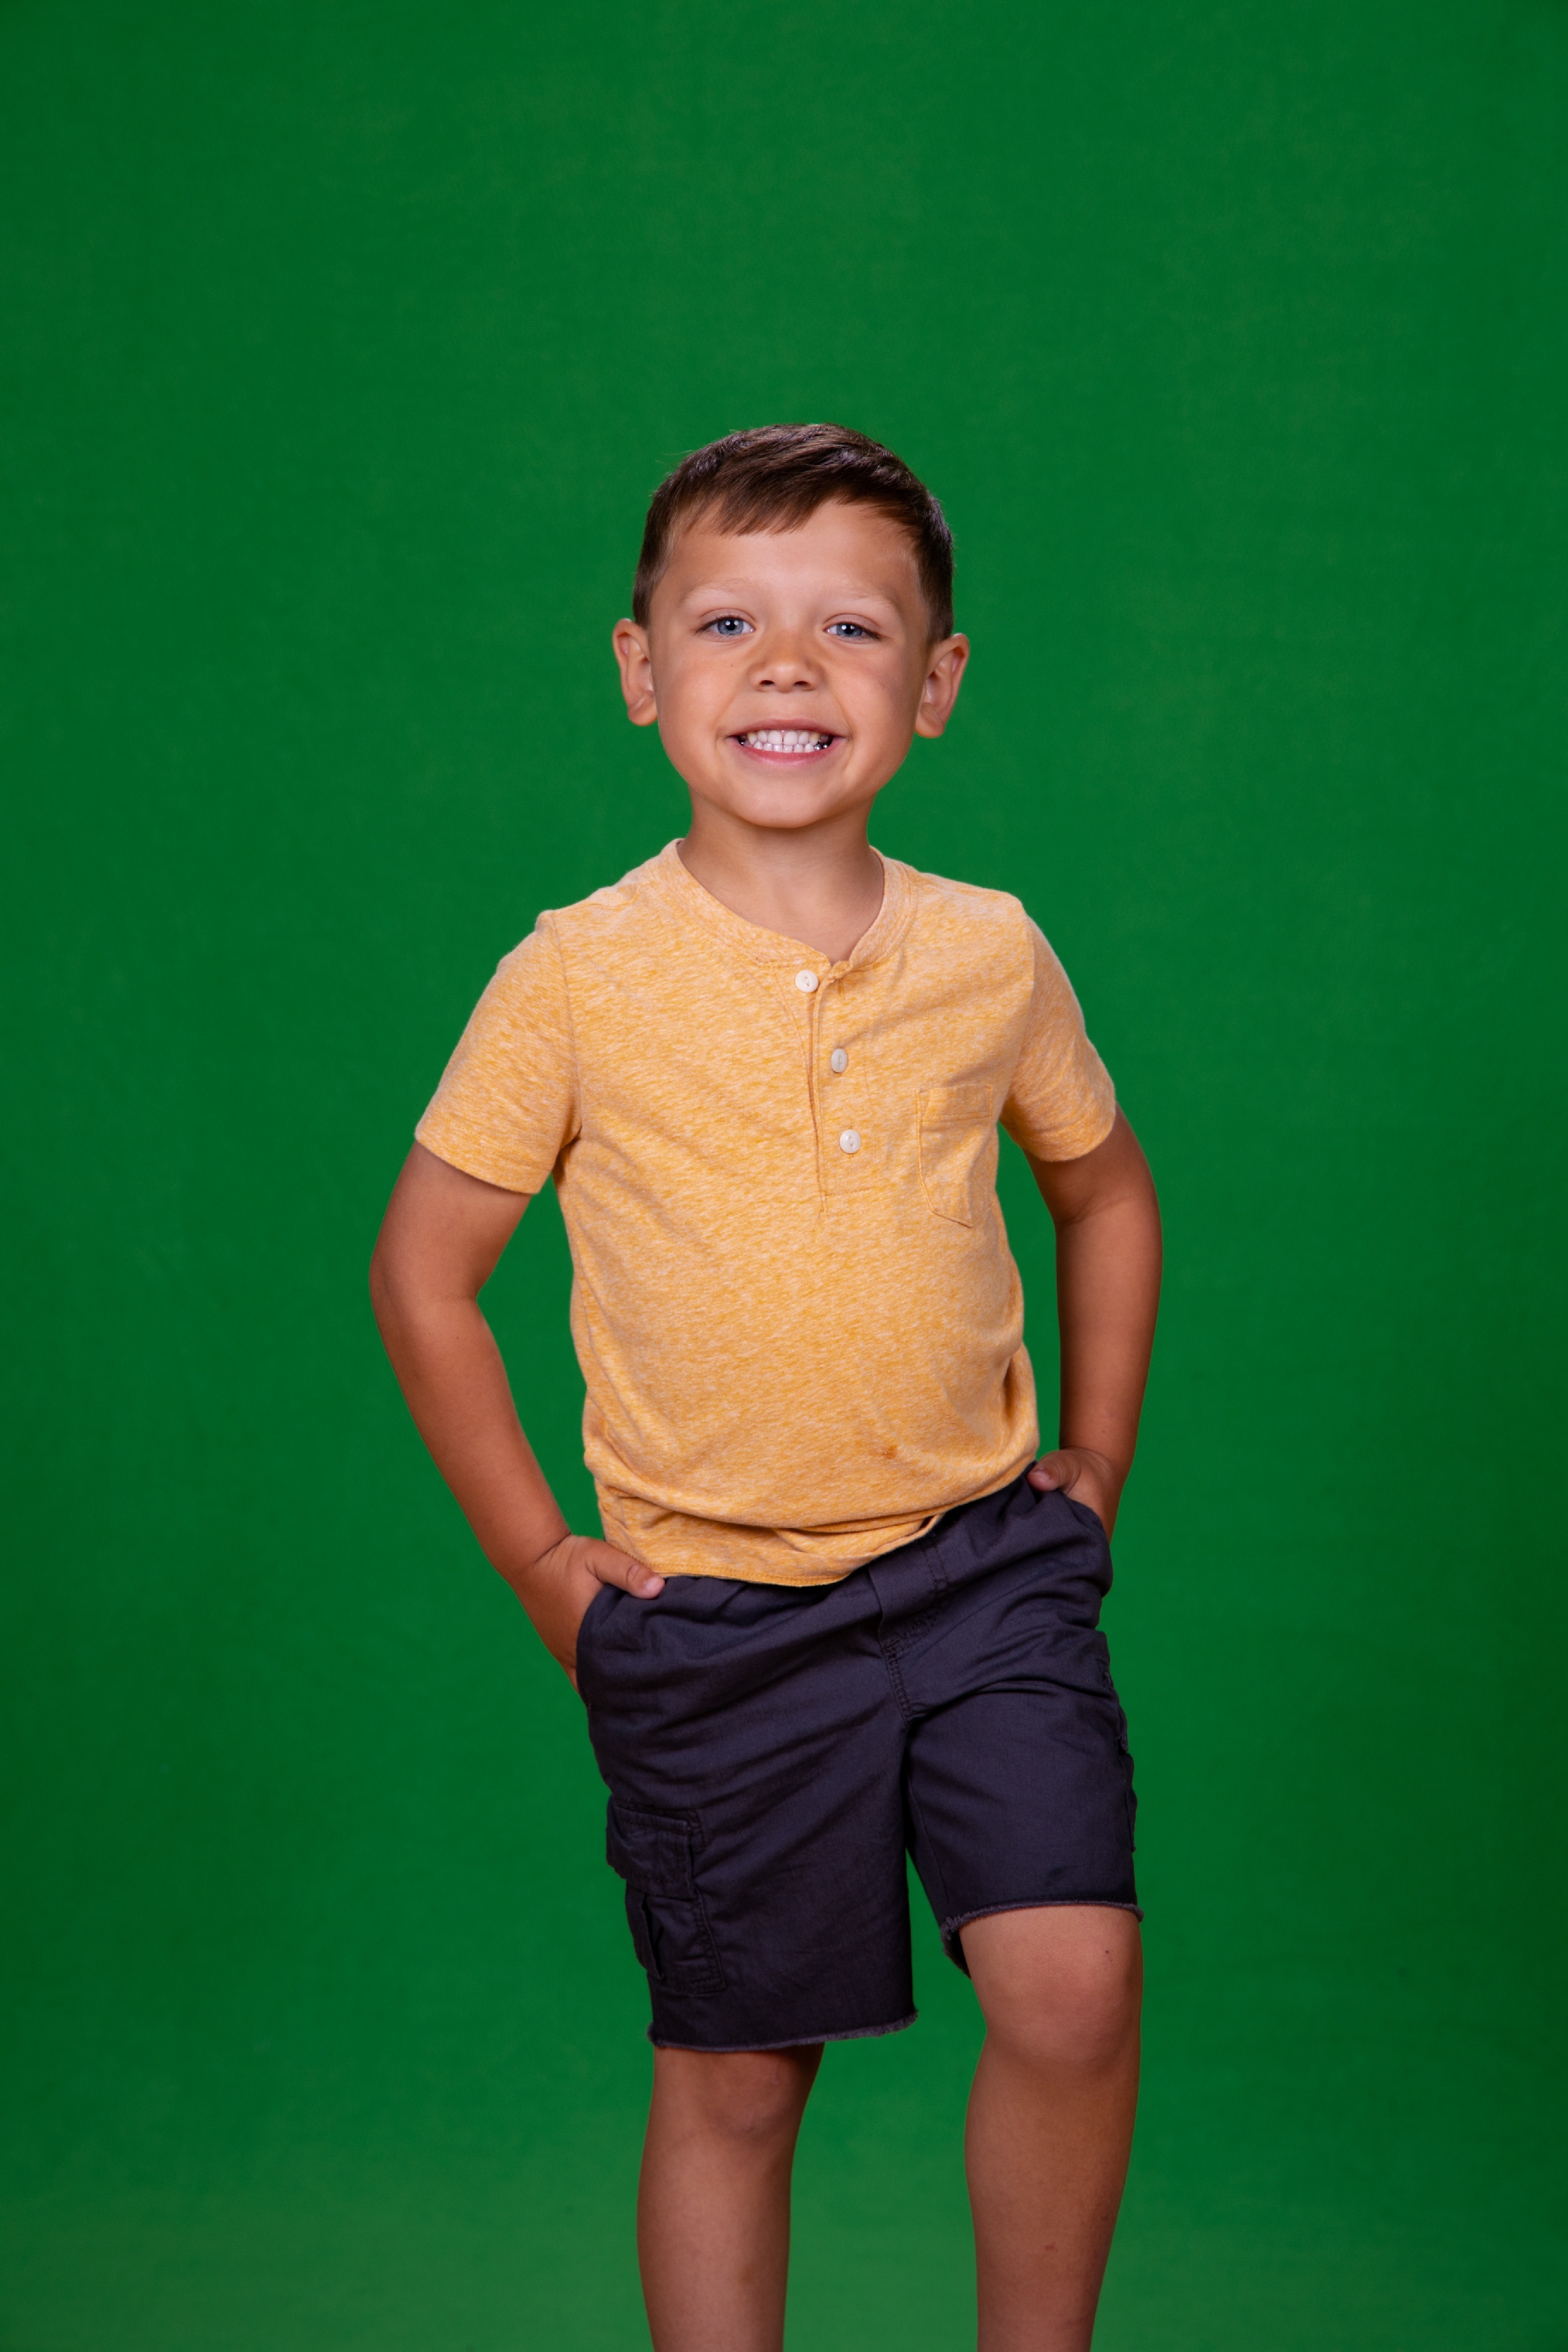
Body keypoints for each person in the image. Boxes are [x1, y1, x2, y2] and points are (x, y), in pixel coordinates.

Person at [370, 422, 1162, 2352]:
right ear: (641, 668)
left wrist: (1096, 1455)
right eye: (728, 622)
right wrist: (542, 1561)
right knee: (741, 2073)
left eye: (852, 629)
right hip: (713, 1615)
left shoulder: (989, 953)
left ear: (936, 683)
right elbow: (424, 1274)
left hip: (983, 1568)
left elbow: (1107, 1191)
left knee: (1072, 1984)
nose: (788, 667)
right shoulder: (574, 977)